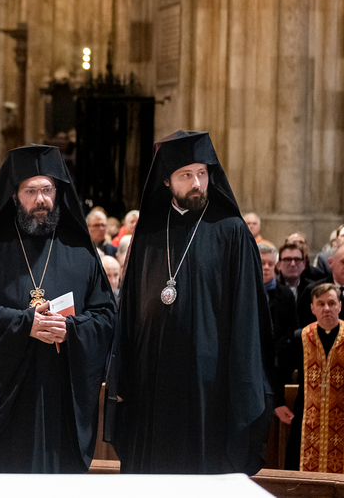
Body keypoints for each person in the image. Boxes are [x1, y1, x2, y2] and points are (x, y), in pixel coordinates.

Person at [105, 130, 272, 474]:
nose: (196, 183)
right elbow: (131, 310)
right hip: (153, 379)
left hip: (209, 384)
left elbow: (248, 315)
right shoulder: (148, 233)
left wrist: (242, 380)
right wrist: (125, 375)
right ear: (166, 180)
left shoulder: (232, 231)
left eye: (202, 173)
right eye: (186, 175)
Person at [0, 145, 115, 472]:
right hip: (6, 395)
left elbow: (106, 315)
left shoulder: (80, 251)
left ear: (58, 192)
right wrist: (23, 323)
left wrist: (70, 329)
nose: (41, 200)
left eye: (47, 190)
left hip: (62, 393)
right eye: (31, 191)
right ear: (15, 197)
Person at [276, 283, 344, 471]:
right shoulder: (300, 338)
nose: (327, 308)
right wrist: (278, 403)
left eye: (331, 303)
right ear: (312, 308)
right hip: (307, 419)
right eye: (321, 304)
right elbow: (279, 371)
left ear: (340, 305)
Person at [259, 242, 298, 352]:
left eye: (270, 264)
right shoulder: (245, 292)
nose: (266, 267)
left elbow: (292, 327)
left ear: (276, 266)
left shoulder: (286, 294)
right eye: (262, 263)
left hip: (279, 353)